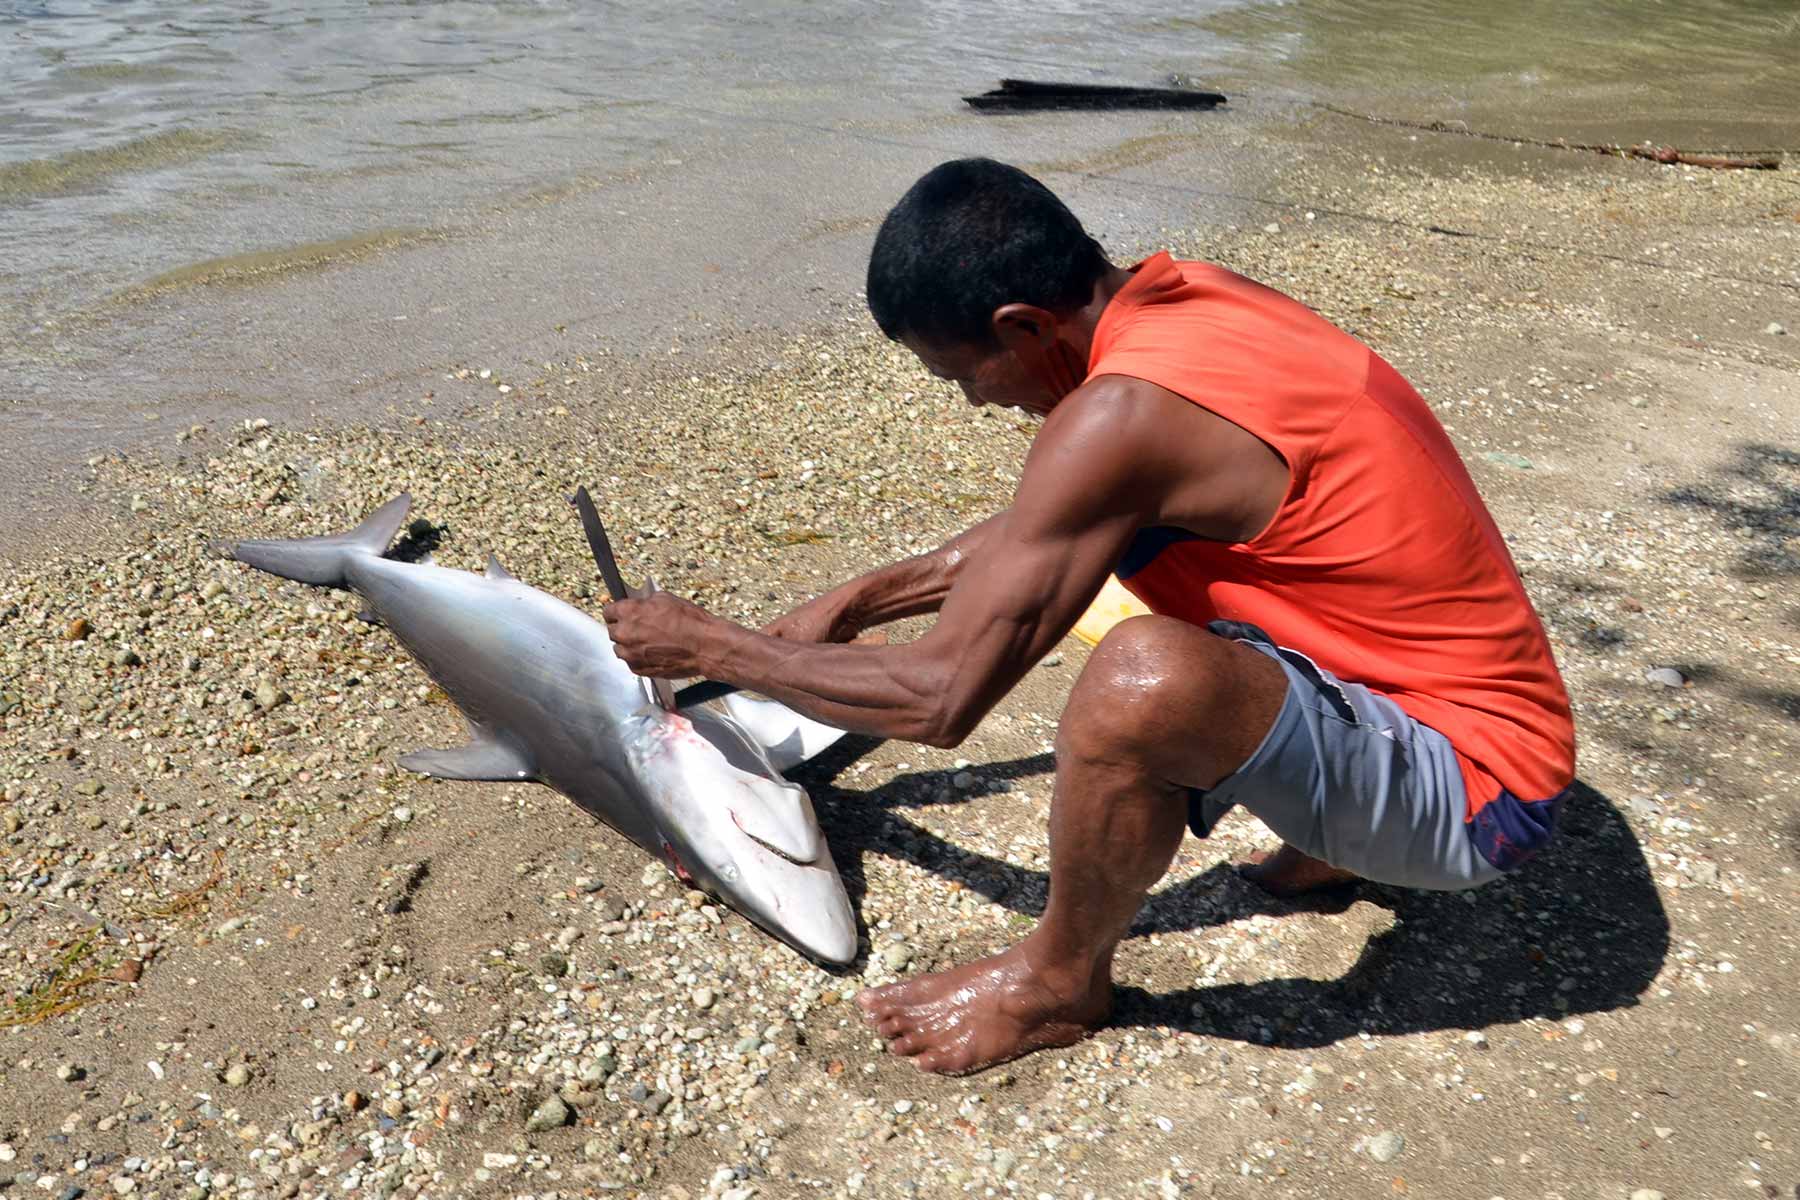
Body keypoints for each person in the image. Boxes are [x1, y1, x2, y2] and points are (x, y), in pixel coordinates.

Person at [600, 157, 1576, 1076]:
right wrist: (855, 602)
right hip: (1448, 707)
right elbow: (1052, 525)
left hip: (1483, 803)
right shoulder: (1184, 304)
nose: (977, 404)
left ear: (1024, 326)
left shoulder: (1115, 422)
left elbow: (941, 701)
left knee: (1139, 679)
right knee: (1156, 611)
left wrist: (712, 647)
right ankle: (1335, 828)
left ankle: (1060, 983)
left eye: (962, 377)